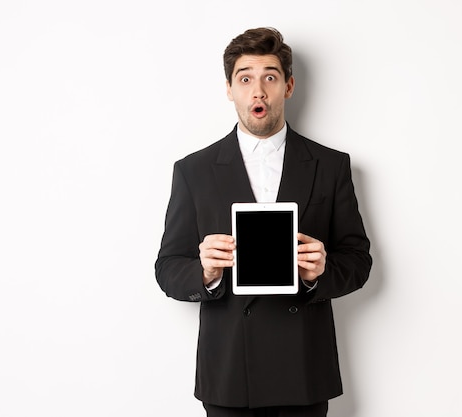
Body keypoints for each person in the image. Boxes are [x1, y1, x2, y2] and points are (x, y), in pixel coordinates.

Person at [155, 27, 372, 417]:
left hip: (303, 372)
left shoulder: (330, 165)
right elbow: (167, 269)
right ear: (229, 89)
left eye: (270, 77)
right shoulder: (194, 171)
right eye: (245, 79)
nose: (258, 90)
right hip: (230, 376)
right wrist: (204, 272)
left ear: (288, 86)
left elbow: (358, 261)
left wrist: (319, 271)